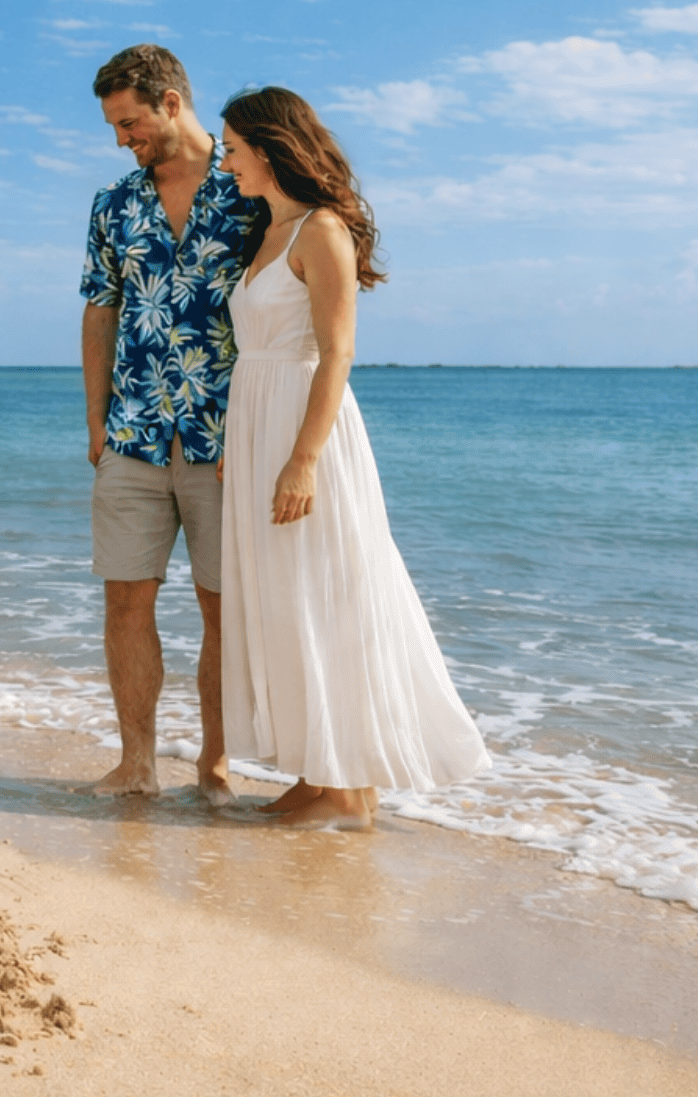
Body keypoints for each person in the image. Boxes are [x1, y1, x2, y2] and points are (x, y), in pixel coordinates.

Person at [214, 86, 491, 829]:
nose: (225, 159)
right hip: (257, 424)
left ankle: (350, 790)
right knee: (283, 601)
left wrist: (303, 460)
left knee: (325, 596)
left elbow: (338, 352)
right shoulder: (263, 233)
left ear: (268, 150)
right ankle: (321, 773)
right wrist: (237, 447)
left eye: (233, 147)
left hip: (307, 431)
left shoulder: (320, 231)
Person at [80, 44, 259, 803]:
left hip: (228, 440)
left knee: (223, 609)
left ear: (171, 102)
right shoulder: (113, 204)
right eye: (117, 129)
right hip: (133, 433)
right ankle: (137, 764)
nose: (124, 140)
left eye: (130, 123)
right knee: (125, 599)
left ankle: (214, 766)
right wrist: (95, 423)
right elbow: (100, 309)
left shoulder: (251, 187)